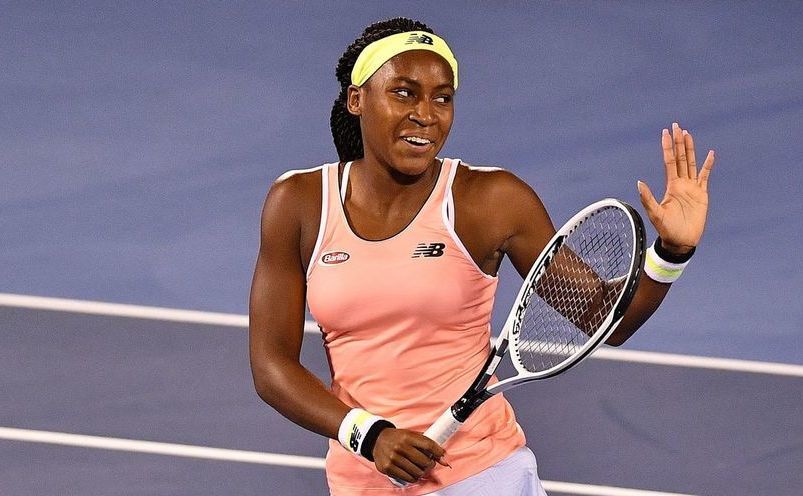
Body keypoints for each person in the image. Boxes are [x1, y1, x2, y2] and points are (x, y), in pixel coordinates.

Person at [248, 17, 715, 496]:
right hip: (360, 483)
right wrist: (367, 434)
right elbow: (271, 367)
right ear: (357, 100)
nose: (426, 114)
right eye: (404, 93)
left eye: (442, 98)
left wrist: (672, 252)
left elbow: (607, 321)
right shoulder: (299, 203)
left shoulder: (489, 201)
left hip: (483, 476)